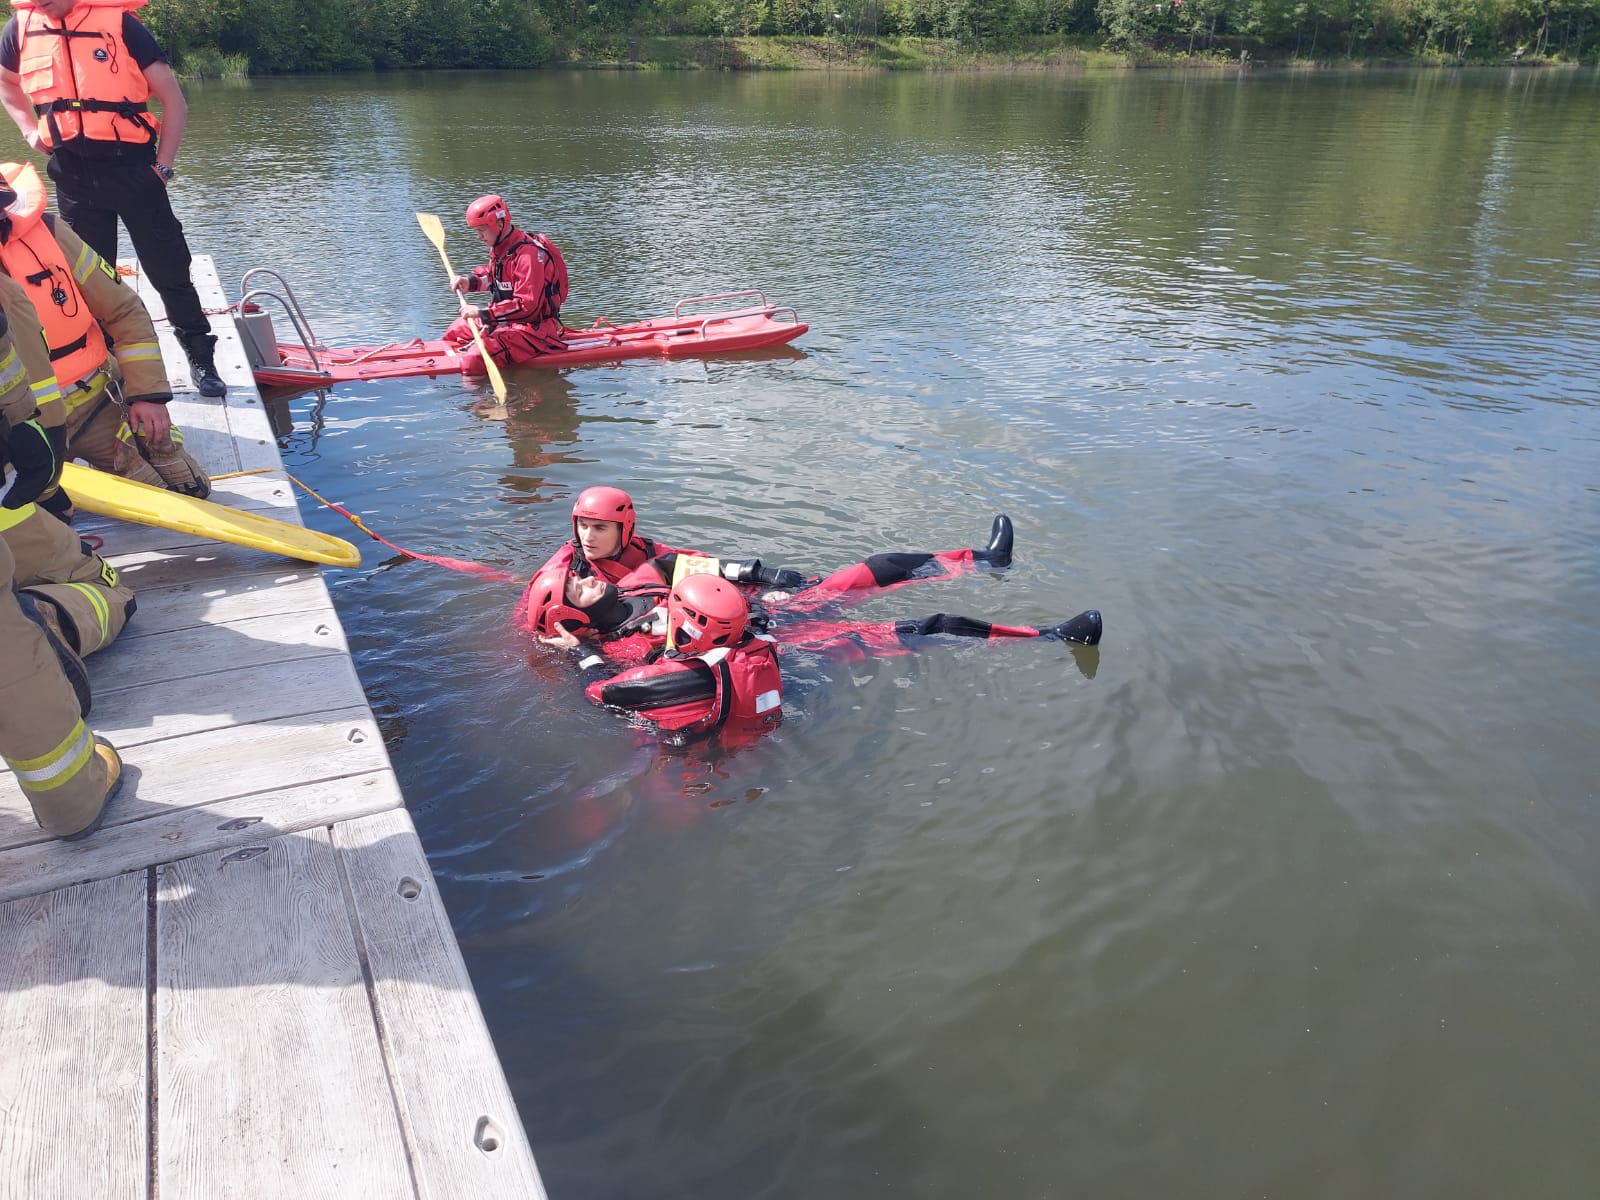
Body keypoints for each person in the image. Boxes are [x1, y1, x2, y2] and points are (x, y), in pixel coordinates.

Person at [0, 0, 226, 399]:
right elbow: (6, 81)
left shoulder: (121, 24)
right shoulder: (20, 27)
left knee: (169, 269)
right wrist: (29, 131)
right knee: (91, 279)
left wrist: (164, 167)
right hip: (72, 173)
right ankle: (107, 367)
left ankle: (200, 356)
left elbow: (174, 100)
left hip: (135, 170)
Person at [0, 159, 207, 507]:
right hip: (20, 427)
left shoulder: (50, 233)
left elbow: (124, 310)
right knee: (39, 523)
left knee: (183, 489)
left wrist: (149, 396)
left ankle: (144, 433)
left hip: (97, 401)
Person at [568, 572, 783, 745]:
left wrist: (580, 649)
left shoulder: (678, 677)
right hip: (757, 736)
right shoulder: (764, 645)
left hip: (696, 757)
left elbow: (597, 691)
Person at [444, 193, 568, 376]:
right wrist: (469, 282)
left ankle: (480, 394)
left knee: (473, 361)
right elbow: (496, 280)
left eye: (482, 230)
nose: (478, 237)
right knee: (454, 331)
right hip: (507, 321)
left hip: (534, 330)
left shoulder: (529, 255)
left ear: (499, 224)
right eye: (476, 231)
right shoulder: (502, 248)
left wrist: (484, 313)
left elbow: (527, 305)